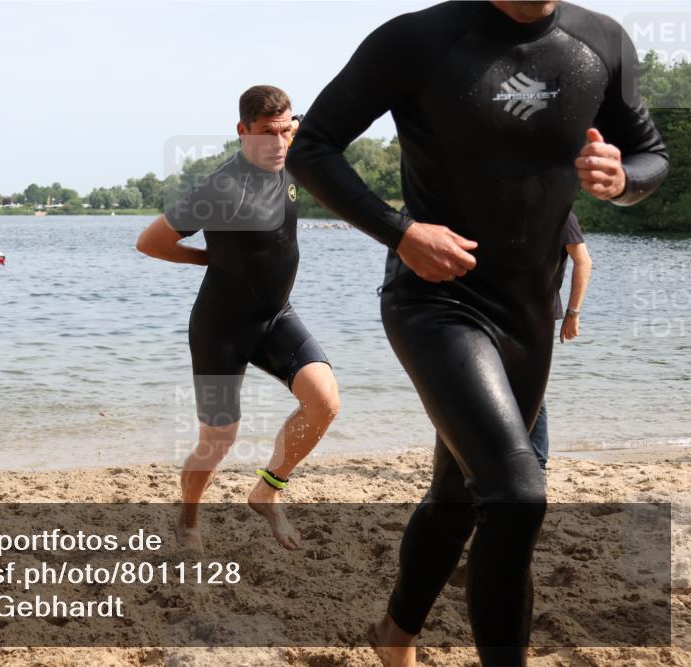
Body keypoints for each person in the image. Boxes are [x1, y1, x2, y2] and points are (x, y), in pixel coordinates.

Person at [286, 1, 667, 665]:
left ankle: (394, 636)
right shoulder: (417, 39)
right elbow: (312, 147)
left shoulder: (601, 41)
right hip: (437, 300)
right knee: (516, 496)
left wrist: (622, 178)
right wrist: (401, 231)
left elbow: (650, 155)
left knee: (459, 497)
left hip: (530, 314)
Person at [136, 85, 340, 551]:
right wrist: (209, 259)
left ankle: (267, 490)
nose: (278, 142)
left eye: (285, 131)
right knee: (219, 440)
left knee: (324, 402)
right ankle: (189, 520)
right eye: (266, 133)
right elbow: (150, 242)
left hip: (276, 316)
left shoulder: (291, 150)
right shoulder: (220, 187)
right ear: (242, 131)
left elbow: (324, 115)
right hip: (221, 329)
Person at [530, 211, 592, 471]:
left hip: (537, 314)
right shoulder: (506, 207)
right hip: (495, 309)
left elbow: (583, 261)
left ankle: (538, 465)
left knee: (531, 387)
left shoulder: (562, 215)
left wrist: (573, 313)